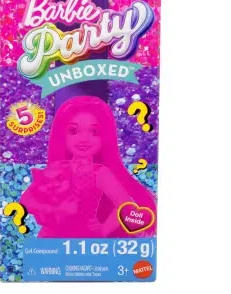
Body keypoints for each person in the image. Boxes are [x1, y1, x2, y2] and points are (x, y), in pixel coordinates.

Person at [21, 96, 156, 238]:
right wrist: (48, 211)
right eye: (73, 131)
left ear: (105, 136)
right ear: (62, 134)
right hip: (52, 236)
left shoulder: (98, 172)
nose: (84, 139)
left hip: (84, 236)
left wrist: (104, 229)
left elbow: (124, 204)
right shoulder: (57, 167)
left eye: (94, 132)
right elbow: (28, 200)